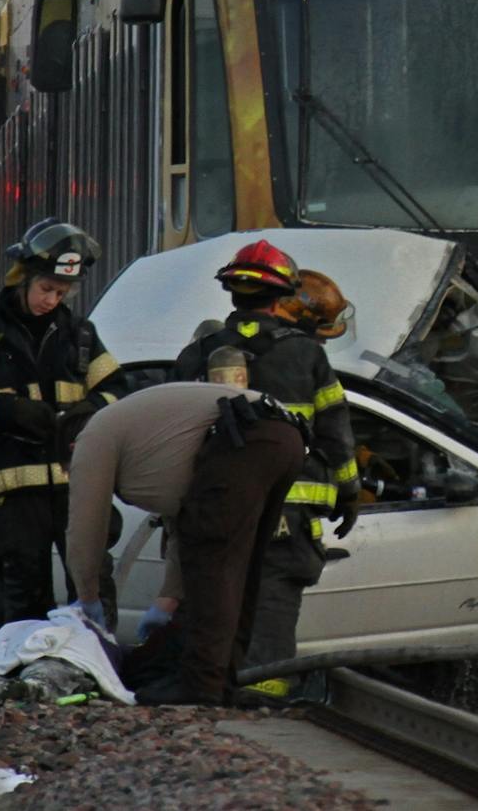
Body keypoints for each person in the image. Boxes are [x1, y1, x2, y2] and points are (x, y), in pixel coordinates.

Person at [171, 247, 358, 699]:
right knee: (273, 592)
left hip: (217, 502)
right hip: (288, 513)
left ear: (234, 296)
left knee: (214, 589)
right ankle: (264, 690)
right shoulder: (306, 355)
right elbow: (336, 431)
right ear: (282, 298)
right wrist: (348, 490)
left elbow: (175, 432)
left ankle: (210, 690)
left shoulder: (198, 354)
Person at [63, 381, 307, 705]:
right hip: (282, 437)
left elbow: (85, 525)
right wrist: (168, 597)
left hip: (243, 436)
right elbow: (186, 524)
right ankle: (222, 683)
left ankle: (199, 689)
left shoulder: (94, 436)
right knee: (240, 570)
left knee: (214, 568)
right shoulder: (149, 438)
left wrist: (86, 596)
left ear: (71, 447)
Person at [0, 218, 124, 623]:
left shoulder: (82, 337)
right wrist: (6, 411)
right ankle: (25, 676)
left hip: (75, 489)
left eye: (60, 292)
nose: (51, 300)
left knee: (92, 587)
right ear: (22, 279)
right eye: (45, 289)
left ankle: (97, 668)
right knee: (26, 597)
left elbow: (118, 391)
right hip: (15, 494)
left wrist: (88, 411)